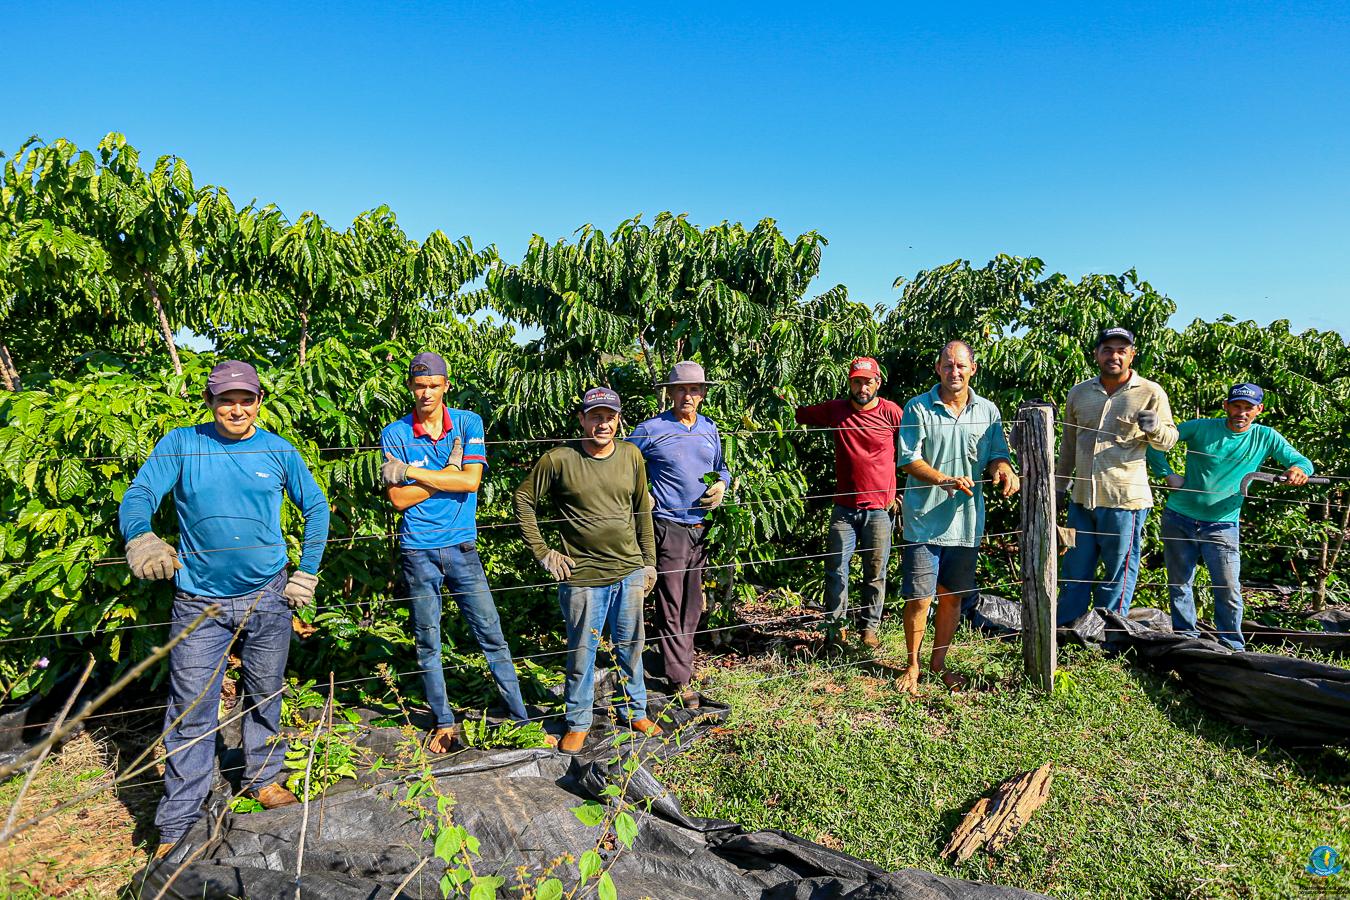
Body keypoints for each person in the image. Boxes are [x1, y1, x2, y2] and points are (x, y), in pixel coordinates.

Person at [118, 361, 330, 857]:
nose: (237, 408)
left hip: (268, 594)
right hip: (199, 600)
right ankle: (178, 821)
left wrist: (308, 571)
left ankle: (263, 777)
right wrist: (141, 535)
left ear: (259, 401)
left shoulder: (277, 450)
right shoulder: (181, 444)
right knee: (191, 707)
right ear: (211, 403)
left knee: (264, 688)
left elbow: (316, 506)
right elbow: (141, 493)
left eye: (246, 399)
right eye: (225, 399)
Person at [380, 352, 549, 751]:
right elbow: (399, 500)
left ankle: (520, 717)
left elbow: (471, 483)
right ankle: (442, 721)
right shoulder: (395, 433)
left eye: (433, 386)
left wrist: (414, 471)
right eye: (419, 386)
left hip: (461, 546)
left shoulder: (469, 422)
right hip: (417, 550)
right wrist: (448, 474)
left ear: (445, 386)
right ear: (410, 387)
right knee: (427, 639)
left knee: (491, 634)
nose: (426, 393)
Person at [514, 387, 661, 754]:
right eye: (595, 416)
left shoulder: (630, 456)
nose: (603, 423)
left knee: (631, 647)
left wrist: (649, 562)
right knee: (583, 652)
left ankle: (635, 710)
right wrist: (543, 552)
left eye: (609, 417)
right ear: (582, 419)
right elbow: (523, 499)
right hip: (582, 576)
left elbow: (642, 510)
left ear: (618, 419)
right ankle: (578, 720)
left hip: (627, 570)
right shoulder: (559, 459)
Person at [1146, 383, 1314, 650]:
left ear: (1259, 410)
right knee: (1179, 584)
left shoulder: (1265, 436)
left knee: (1228, 588)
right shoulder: (1201, 427)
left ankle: (1232, 646)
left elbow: (1303, 462)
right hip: (1179, 516)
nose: (1241, 412)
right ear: (1226, 405)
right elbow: (1157, 442)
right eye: (1236, 406)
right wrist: (1166, 474)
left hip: (1223, 524)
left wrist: (1297, 469)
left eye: (1248, 408)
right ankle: (1185, 640)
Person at [897, 341, 1019, 693]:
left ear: (973, 369)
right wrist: (943, 479)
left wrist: (1004, 471)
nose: (954, 372)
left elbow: (998, 454)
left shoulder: (988, 411)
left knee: (952, 597)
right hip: (924, 520)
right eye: (948, 366)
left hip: (966, 523)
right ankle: (912, 665)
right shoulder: (918, 407)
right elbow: (907, 459)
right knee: (919, 598)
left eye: (961, 366)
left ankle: (939, 664)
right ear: (938, 368)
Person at [1056, 328, 1178, 624]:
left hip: (1125, 501)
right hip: (1082, 500)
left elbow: (1170, 440)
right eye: (1108, 349)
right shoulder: (1080, 392)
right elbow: (1069, 444)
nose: (1114, 356)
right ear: (1097, 354)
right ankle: (1066, 629)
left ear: (1132, 354)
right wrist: (1058, 486)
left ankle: (1109, 634)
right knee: (1075, 567)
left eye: (1122, 350)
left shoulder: (1150, 392)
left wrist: (1155, 429)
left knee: (1118, 571)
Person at [628, 361, 732, 707]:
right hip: (668, 525)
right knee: (671, 601)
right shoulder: (651, 429)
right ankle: (679, 678)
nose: (687, 396)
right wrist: (642, 492)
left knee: (692, 604)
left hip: (701, 527)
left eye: (694, 390)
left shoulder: (709, 429)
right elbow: (622, 462)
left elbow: (722, 466)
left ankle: (681, 662)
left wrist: (722, 484)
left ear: (703, 394)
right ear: (670, 393)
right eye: (681, 389)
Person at [790, 357, 904, 648]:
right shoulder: (836, 410)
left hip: (879, 509)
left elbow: (911, 451)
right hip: (844, 508)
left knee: (875, 572)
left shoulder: (892, 413)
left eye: (867, 381)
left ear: (878, 382)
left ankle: (869, 629)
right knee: (836, 569)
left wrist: (901, 492)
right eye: (857, 381)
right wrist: (777, 395)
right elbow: (798, 414)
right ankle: (836, 627)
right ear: (850, 383)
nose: (862, 387)